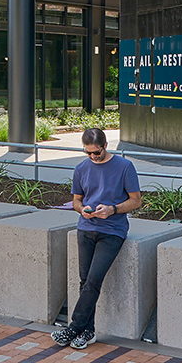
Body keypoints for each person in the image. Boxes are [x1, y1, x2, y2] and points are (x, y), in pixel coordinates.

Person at [55, 126, 142, 350]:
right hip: (86, 227)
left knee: (93, 279)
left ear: (105, 146)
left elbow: (136, 200)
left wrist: (112, 209)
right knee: (85, 281)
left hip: (112, 231)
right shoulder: (81, 168)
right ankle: (88, 332)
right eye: (88, 153)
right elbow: (77, 200)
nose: (93, 156)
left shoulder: (124, 167)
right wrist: (82, 210)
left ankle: (74, 328)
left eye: (96, 152)